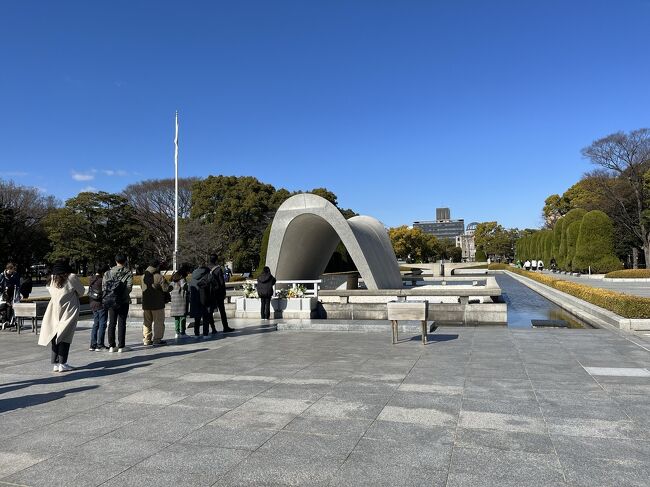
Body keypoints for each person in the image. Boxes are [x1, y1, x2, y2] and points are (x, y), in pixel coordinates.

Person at [38, 260, 85, 372]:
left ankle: (56, 363)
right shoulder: (71, 277)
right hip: (68, 310)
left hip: (54, 309)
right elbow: (82, 291)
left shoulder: (52, 278)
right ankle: (63, 363)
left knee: (54, 336)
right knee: (65, 336)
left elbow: (49, 290)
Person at [103, 254, 133, 353]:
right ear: (125, 261)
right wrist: (122, 295)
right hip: (123, 301)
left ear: (115, 261)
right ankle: (121, 346)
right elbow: (129, 287)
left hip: (111, 300)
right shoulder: (127, 272)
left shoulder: (108, 273)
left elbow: (104, 287)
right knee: (122, 322)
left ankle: (111, 346)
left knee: (111, 322)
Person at [141, 259, 170, 346]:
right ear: (157, 266)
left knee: (147, 322)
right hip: (157, 304)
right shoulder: (159, 277)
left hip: (146, 303)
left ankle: (146, 339)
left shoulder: (143, 276)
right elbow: (166, 288)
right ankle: (157, 340)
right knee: (158, 322)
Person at [208, 254, 235, 333]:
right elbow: (221, 283)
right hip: (218, 293)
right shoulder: (218, 269)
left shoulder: (206, 268)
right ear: (216, 260)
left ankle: (213, 329)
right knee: (222, 311)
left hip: (210, 293)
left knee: (210, 311)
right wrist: (224, 293)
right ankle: (225, 327)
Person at [89, 265, 109, 351]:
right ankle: (100, 344)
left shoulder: (91, 279)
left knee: (95, 324)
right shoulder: (101, 280)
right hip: (100, 304)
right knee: (102, 324)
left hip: (92, 303)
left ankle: (93, 344)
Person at [189, 263, 212, 338]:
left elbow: (190, 289)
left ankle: (196, 334)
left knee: (197, 317)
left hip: (195, 299)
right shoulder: (207, 274)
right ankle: (205, 334)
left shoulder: (193, 276)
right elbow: (211, 286)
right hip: (205, 298)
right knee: (205, 316)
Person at [170, 267, 189, 339]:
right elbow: (184, 286)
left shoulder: (173, 280)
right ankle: (183, 332)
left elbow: (170, 288)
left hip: (174, 301)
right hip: (181, 300)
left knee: (176, 318)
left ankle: (177, 333)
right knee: (182, 316)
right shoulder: (182, 279)